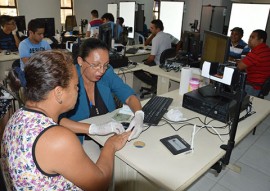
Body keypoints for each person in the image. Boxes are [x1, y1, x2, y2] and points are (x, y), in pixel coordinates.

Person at [1, 49, 131, 190]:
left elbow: (58, 123)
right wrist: (110, 146)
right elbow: (99, 184)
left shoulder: (17, 117)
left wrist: (94, 128)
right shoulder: (58, 139)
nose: (78, 90)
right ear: (58, 93)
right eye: (76, 86)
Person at [60, 38, 144, 143]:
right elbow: (58, 120)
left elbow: (129, 95)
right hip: (81, 139)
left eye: (105, 65)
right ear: (80, 61)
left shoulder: (107, 73)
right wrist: (94, 129)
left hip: (110, 134)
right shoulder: (68, 80)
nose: (101, 71)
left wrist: (139, 114)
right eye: (95, 65)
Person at [237, 29, 270, 97]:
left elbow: (240, 66)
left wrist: (240, 63)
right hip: (260, 86)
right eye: (250, 37)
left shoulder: (257, 52)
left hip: (252, 87)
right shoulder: (266, 50)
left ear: (261, 40)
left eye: (253, 37)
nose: (249, 39)